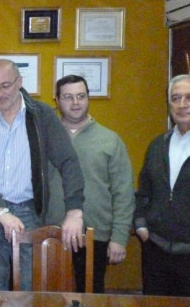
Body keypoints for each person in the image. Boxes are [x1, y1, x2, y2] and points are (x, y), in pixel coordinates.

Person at [0, 59, 85, 291]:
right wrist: (1, 210)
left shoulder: (42, 116)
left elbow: (68, 161)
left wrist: (75, 210)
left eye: (5, 85)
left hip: (29, 211)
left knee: (29, 283)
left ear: (19, 82)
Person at [49, 75, 135, 293]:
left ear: (88, 98)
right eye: (68, 97)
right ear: (56, 100)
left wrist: (119, 238)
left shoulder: (109, 140)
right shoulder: (45, 138)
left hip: (95, 236)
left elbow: (123, 193)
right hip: (50, 235)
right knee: (50, 297)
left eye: (81, 96)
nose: (75, 102)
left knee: (90, 296)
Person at [134, 74, 190, 297]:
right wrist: (140, 225)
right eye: (176, 98)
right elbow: (143, 192)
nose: (182, 105)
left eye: (188, 98)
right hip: (156, 250)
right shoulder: (158, 145)